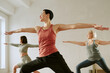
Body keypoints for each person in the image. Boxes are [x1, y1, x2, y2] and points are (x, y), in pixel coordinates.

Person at [5, 9, 109, 73]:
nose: (40, 16)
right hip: (41, 58)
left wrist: (93, 25)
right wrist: (12, 32)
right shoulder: (38, 28)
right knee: (24, 69)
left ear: (48, 15)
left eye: (42, 14)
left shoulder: (55, 27)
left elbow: (74, 26)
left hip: (54, 57)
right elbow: (22, 29)